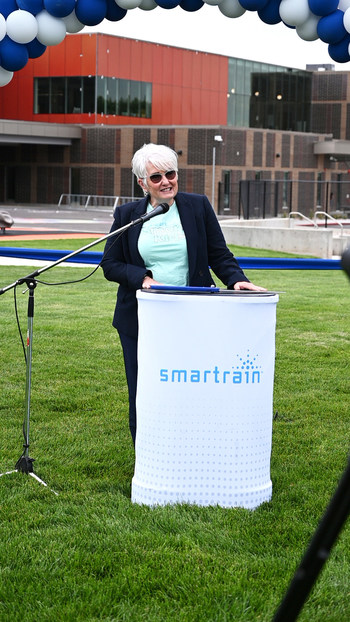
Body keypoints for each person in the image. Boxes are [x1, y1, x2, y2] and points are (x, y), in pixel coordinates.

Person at [101, 143, 265, 445]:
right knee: (143, 386)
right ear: (142, 183)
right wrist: (143, 278)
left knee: (188, 382)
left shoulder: (197, 206)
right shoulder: (127, 214)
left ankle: (191, 445)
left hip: (193, 313)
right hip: (139, 317)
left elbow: (219, 254)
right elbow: (110, 264)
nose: (166, 182)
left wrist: (236, 280)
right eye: (156, 177)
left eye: (171, 174)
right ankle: (147, 451)